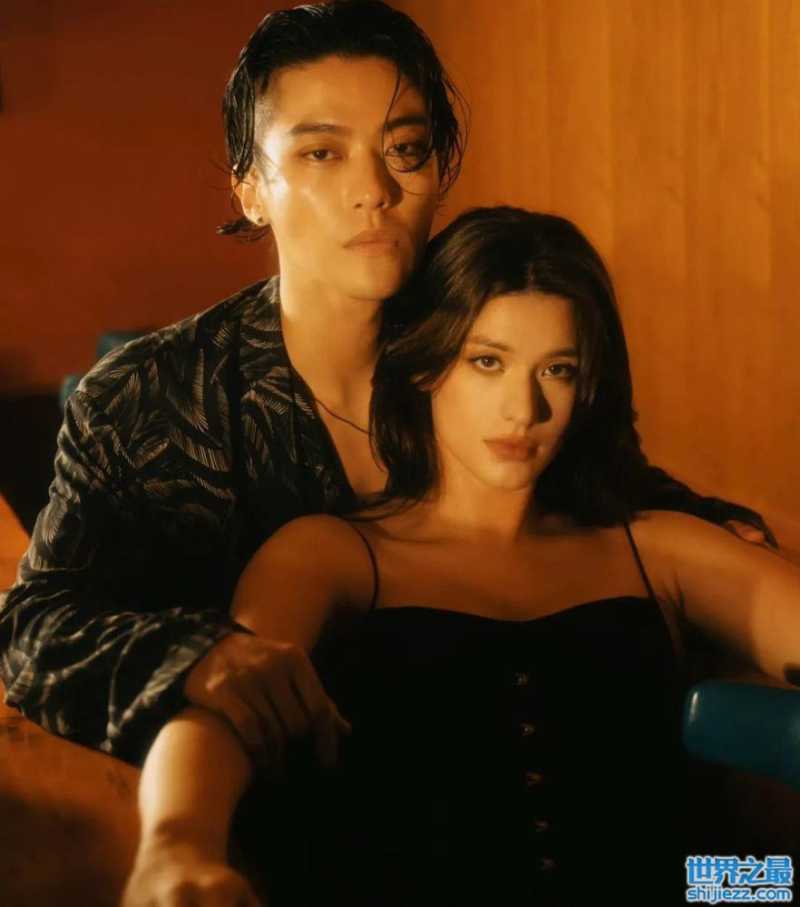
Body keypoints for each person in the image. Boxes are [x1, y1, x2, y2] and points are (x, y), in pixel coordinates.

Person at [0, 1, 769, 772]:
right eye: (322, 154)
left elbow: (604, 478)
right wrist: (201, 658)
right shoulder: (149, 397)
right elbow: (31, 629)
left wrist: (717, 528)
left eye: (403, 149)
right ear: (251, 188)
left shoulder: (488, 342)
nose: (373, 189)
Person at [122, 208, 800, 906]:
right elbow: (224, 710)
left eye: (557, 369)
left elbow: (703, 878)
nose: (523, 408)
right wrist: (175, 847)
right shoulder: (329, 558)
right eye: (488, 361)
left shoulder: (656, 546)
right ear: (426, 365)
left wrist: (764, 887)